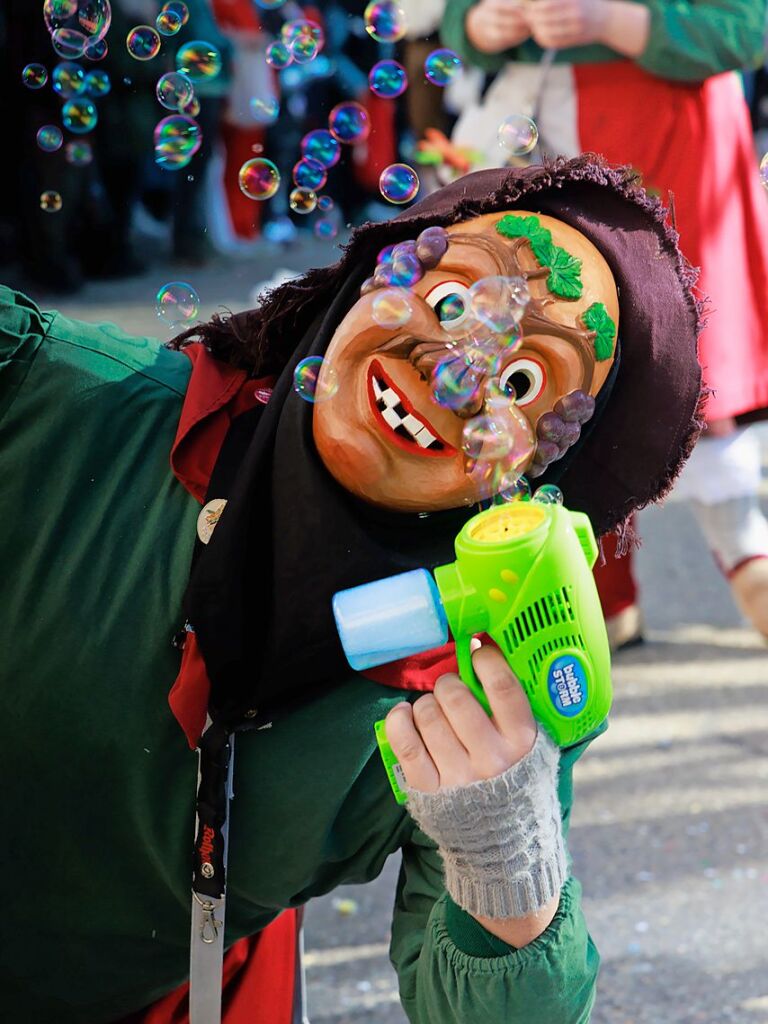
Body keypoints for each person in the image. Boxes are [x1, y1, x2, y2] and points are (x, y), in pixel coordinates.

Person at [2, 157, 702, 1023]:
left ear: (540, 472)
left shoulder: (488, 677)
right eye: (452, 299)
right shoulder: (50, 396)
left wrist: (506, 870)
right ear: (373, 275)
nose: (454, 368)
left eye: (521, 382)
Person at [443, 0, 768, 647]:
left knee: (688, 358)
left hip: (672, 132)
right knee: (562, 364)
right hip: (537, 130)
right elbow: (457, 20)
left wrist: (614, 22)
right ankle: (600, 586)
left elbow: (748, 25)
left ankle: (747, 555)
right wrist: (483, 25)